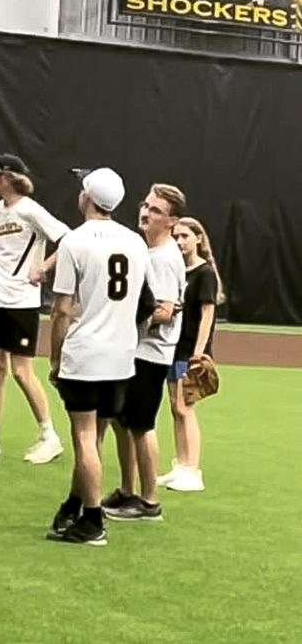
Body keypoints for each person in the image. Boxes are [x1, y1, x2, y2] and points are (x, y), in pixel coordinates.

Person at [46, 167, 149, 546]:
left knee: (85, 437)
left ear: (87, 197)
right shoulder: (136, 242)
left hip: (85, 351)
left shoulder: (75, 241)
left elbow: (61, 309)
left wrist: (56, 359)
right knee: (97, 434)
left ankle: (92, 520)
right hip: (121, 356)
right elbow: (143, 300)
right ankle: (74, 504)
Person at [0, 154, 69, 465]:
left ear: (9, 177)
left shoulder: (30, 210)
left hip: (22, 302)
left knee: (22, 371)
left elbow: (67, 239)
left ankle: (49, 436)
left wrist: (43, 267)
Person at [103, 184, 187, 522]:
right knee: (121, 422)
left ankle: (149, 502)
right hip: (134, 349)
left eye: (156, 210)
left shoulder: (165, 257)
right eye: (145, 205)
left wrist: (126, 319)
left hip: (150, 354)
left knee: (140, 425)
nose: (146, 212)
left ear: (172, 221)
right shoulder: (145, 250)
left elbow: (165, 312)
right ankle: (128, 490)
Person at [157, 217, 223, 493]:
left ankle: (193, 470)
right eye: (176, 236)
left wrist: (199, 352)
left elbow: (208, 314)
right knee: (175, 407)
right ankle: (181, 466)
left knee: (185, 407)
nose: (180, 241)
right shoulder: (176, 270)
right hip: (173, 345)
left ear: (198, 238)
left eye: (185, 236)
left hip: (189, 349)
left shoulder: (204, 273)